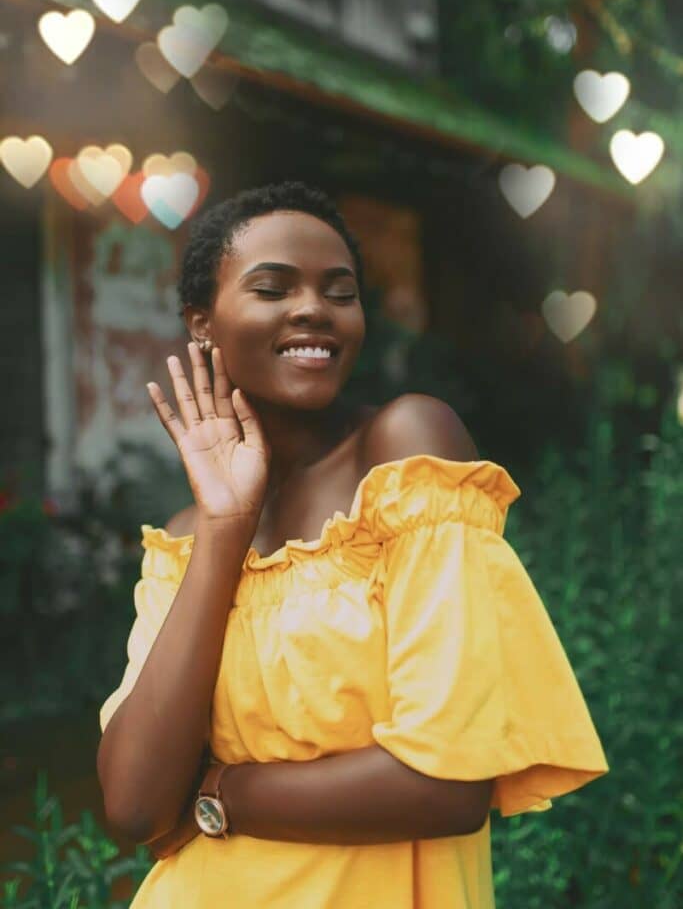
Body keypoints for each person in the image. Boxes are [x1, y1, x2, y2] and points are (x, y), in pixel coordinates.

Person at [96, 180, 609, 908]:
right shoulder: (186, 538)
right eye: (273, 287)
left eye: (339, 291)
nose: (312, 308)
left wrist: (216, 791)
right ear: (202, 322)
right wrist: (223, 532)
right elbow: (136, 805)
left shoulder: (405, 454)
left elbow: (448, 781)